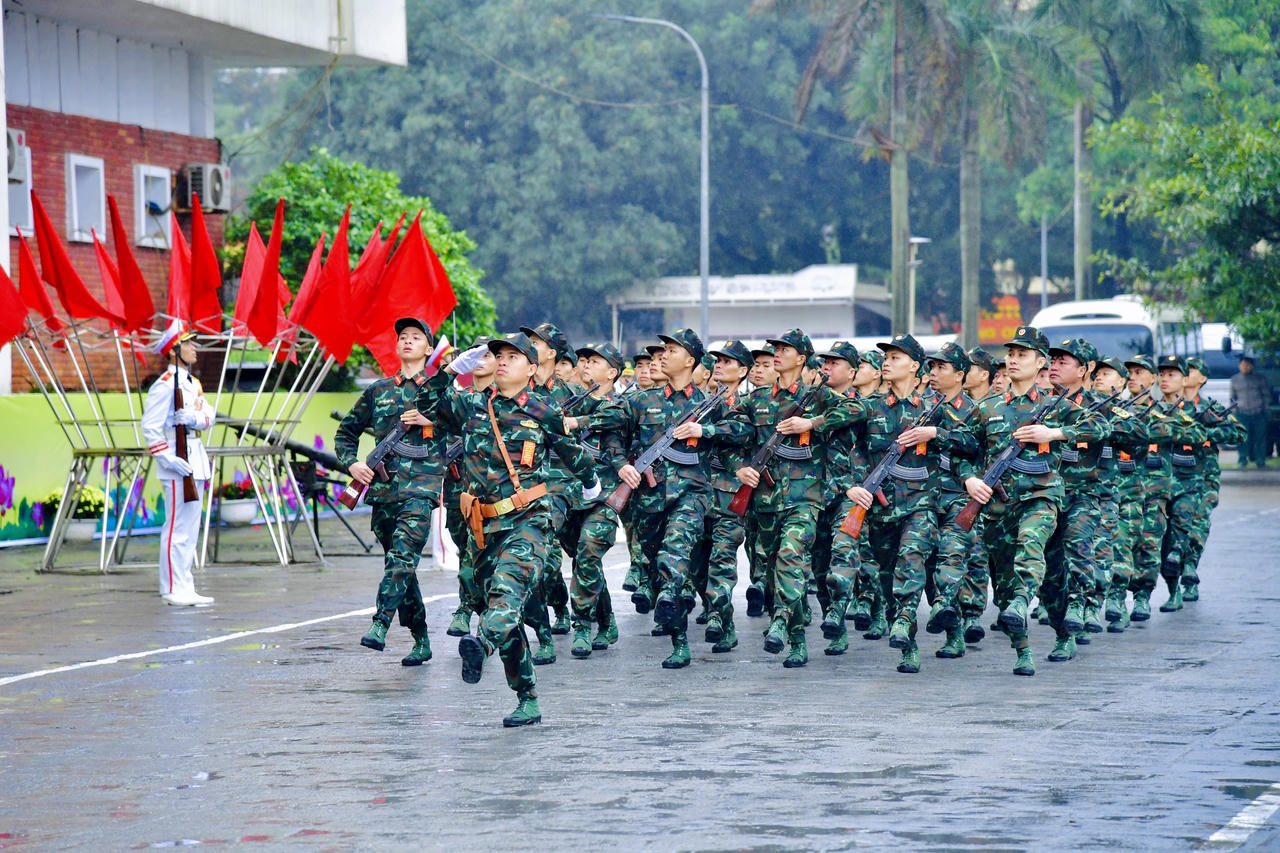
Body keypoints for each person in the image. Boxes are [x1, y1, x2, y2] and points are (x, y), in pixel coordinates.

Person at [424, 333, 600, 727]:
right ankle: (527, 697)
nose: (501, 361)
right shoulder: (471, 406)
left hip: (528, 522)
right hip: (483, 527)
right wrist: (451, 369)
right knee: (503, 612)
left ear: (532, 369)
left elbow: (573, 453)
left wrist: (592, 484)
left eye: (513, 356)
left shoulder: (542, 410)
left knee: (506, 595)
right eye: (496, 355)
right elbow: (427, 403)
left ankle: (481, 644)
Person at [596, 328, 747, 668]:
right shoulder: (640, 401)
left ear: (690, 361)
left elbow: (742, 431)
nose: (662, 355)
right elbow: (611, 436)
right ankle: (678, 625)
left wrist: (704, 430)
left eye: (671, 350)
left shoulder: (708, 404)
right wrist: (622, 466)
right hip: (648, 500)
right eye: (662, 350)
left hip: (692, 496)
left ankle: (678, 630)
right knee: (666, 568)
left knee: (674, 558)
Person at [336, 317, 446, 666]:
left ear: (429, 348)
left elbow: (468, 426)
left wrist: (433, 421)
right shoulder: (378, 391)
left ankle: (380, 622)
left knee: (402, 557)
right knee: (402, 567)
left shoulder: (441, 390)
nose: (408, 341)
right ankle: (421, 637)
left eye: (416, 337)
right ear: (397, 347)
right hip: (383, 492)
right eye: (403, 337)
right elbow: (346, 433)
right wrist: (352, 464)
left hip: (422, 488)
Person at [735, 329, 846, 668]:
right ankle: (797, 637)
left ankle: (782, 623)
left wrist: (811, 422)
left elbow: (857, 410)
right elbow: (732, 439)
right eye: (775, 349)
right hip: (765, 501)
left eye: (785, 349)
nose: (777, 353)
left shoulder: (820, 397)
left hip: (804, 498)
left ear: (802, 358)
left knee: (789, 557)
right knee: (771, 575)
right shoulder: (756, 400)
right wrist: (739, 469)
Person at [963, 327, 1070, 676]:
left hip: (1041, 496)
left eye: (1022, 354)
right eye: (1010, 353)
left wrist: (1053, 433)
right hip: (998, 507)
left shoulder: (1055, 406)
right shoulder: (987, 407)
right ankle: (1023, 648)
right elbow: (960, 449)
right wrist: (971, 479)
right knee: (1007, 583)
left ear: (1041, 362)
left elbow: (1103, 427)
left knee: (1032, 542)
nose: (1012, 359)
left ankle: (1036, 610)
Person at [559, 343, 627, 657]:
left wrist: (576, 423)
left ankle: (582, 625)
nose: (586, 365)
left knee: (588, 553)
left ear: (612, 372)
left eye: (596, 361)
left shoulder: (620, 403)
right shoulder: (573, 400)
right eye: (584, 360)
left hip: (606, 495)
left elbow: (610, 417)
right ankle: (607, 618)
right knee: (584, 562)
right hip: (571, 494)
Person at [143, 321, 215, 607]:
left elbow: (209, 416)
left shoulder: (191, 383)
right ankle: (172, 587)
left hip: (194, 458)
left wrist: (193, 419)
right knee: (176, 528)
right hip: (177, 461)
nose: (194, 348)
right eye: (188, 344)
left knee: (190, 529)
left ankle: (185, 584)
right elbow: (150, 427)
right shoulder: (164, 386)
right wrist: (168, 458)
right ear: (174, 350)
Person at [445, 338, 495, 638]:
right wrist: (450, 370)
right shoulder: (460, 400)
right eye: (474, 355)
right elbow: (429, 401)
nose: (479, 360)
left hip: (490, 494)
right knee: (463, 545)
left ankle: (468, 609)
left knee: (476, 553)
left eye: (487, 355)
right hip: (457, 491)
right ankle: (476, 605)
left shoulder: (502, 402)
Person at [1230, 356, 1270, 468]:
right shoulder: (1234, 379)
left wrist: (1265, 409)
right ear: (1239, 366)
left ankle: (1260, 461)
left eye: (1247, 365)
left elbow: (1266, 395)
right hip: (1241, 413)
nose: (1245, 367)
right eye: (1242, 365)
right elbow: (1232, 397)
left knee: (1260, 439)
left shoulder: (1259, 378)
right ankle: (1242, 460)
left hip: (1258, 413)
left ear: (1252, 366)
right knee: (1242, 438)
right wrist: (1234, 411)